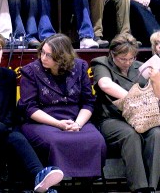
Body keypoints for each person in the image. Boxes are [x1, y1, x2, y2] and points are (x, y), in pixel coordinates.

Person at [0, 29, 64, 192]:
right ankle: (32, 179)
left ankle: (36, 179)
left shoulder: (8, 75)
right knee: (8, 134)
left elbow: (10, 110)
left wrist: (6, 126)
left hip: (2, 127)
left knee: (13, 136)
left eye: (0, 49)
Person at [18, 34, 107, 179]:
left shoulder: (80, 66)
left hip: (76, 118)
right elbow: (29, 108)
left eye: (49, 55)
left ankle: (86, 184)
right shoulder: (31, 71)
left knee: (96, 141)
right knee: (56, 142)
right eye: (42, 52)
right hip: (42, 120)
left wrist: (78, 123)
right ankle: (52, 183)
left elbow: (88, 102)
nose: (43, 58)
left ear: (62, 58)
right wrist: (59, 124)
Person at [92, 33, 160, 193]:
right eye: (123, 59)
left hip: (141, 118)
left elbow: (154, 95)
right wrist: (133, 99)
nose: (127, 62)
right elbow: (105, 84)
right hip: (111, 119)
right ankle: (139, 188)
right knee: (130, 135)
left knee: (157, 133)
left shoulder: (139, 67)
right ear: (112, 54)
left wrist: (156, 80)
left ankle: (153, 186)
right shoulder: (101, 63)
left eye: (131, 58)